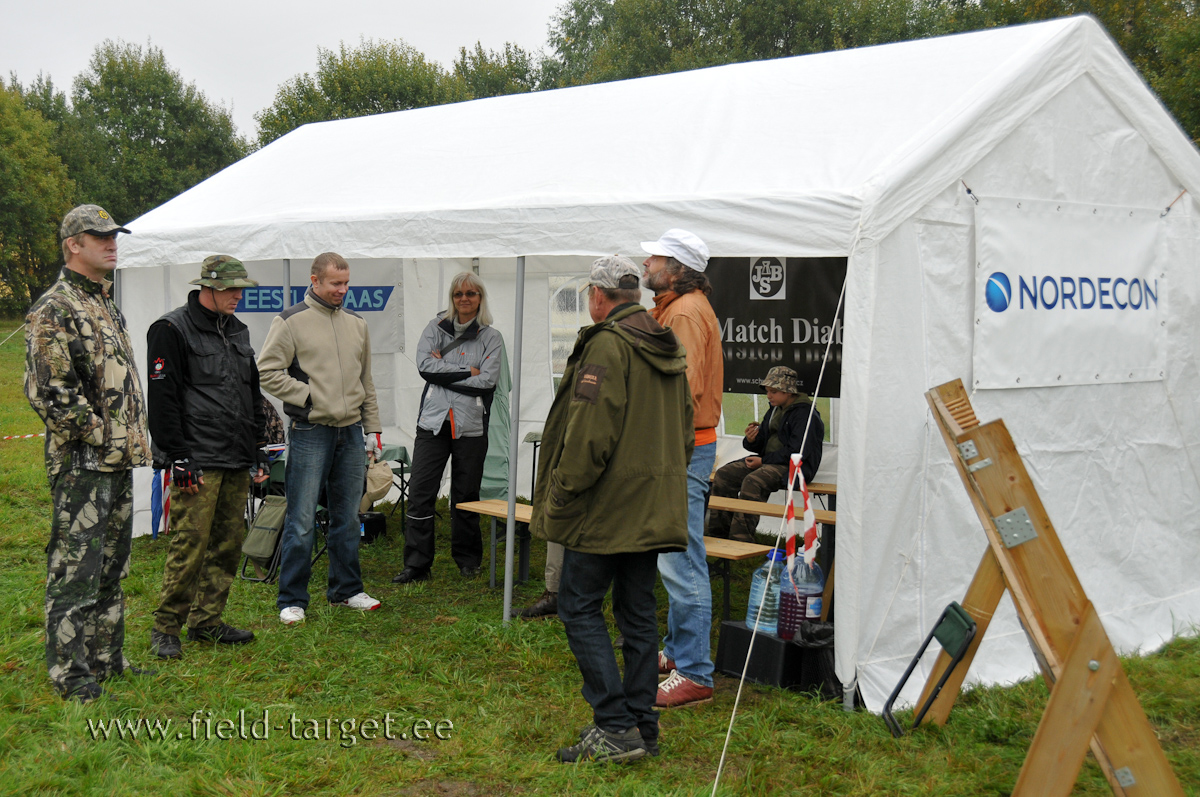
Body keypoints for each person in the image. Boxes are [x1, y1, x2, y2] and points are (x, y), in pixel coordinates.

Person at [532, 256, 693, 763]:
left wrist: (561, 492)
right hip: (650, 504)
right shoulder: (664, 340)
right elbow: (687, 429)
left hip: (605, 507)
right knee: (638, 614)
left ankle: (615, 725)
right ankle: (643, 726)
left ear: (598, 295)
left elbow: (589, 435)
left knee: (578, 605)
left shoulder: (607, 342)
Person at [24, 204, 152, 703]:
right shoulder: (55, 307)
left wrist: (128, 441)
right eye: (98, 236)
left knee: (113, 565)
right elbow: (51, 393)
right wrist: (102, 434)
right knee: (77, 569)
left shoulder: (104, 303)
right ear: (73, 244)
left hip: (117, 461)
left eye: (113, 234)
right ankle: (71, 674)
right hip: (83, 464)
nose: (111, 242)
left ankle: (106, 659)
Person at [146, 256, 269, 659]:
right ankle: (166, 628)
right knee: (189, 544)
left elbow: (251, 394)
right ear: (208, 288)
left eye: (241, 289)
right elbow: (162, 399)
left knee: (228, 544)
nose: (238, 296)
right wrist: (178, 456)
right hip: (197, 458)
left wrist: (258, 449)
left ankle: (207, 621)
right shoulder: (171, 329)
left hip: (235, 454)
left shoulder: (238, 330)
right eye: (232, 289)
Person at [258, 252, 382, 624]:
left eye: (346, 283)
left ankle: (346, 590)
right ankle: (291, 599)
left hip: (350, 433)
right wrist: (309, 397)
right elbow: (267, 371)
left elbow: (366, 381)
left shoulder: (357, 323)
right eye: (335, 284)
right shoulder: (290, 321)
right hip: (310, 431)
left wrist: (372, 426)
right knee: (301, 518)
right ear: (314, 280)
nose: (342, 290)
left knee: (348, 516)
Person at [641, 228, 724, 708]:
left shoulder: (687, 313)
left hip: (683, 445)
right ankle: (678, 652)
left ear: (677, 267)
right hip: (685, 443)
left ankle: (695, 672)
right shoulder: (676, 307)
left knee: (681, 559)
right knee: (675, 553)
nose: (647, 264)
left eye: (655, 257)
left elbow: (683, 390)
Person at [393, 272, 503, 584]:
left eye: (471, 293)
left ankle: (468, 560)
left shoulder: (491, 337)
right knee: (420, 492)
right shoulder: (435, 328)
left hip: (470, 425)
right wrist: (467, 369)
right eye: (458, 294)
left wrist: (445, 370)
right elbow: (425, 366)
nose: (464, 299)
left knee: (466, 494)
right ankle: (416, 565)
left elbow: (488, 381)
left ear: (480, 298)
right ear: (452, 299)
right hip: (433, 422)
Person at [708, 367, 825, 542]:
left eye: (774, 391)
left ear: (788, 392)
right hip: (769, 462)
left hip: (794, 468)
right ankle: (718, 535)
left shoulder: (805, 415)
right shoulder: (775, 410)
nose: (769, 396)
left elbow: (798, 451)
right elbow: (762, 443)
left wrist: (762, 461)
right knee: (725, 475)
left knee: (753, 482)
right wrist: (751, 440)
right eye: (768, 391)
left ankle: (741, 540)